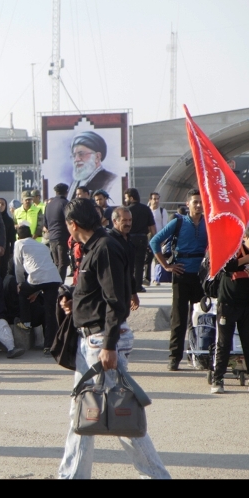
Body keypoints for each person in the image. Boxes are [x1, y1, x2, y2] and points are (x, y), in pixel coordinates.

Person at [57, 198, 170, 479]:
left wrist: (108, 346)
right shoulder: (93, 247)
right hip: (92, 340)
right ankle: (72, 475)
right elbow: (97, 293)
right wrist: (73, 301)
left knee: (121, 414)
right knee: (83, 412)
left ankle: (157, 476)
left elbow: (116, 301)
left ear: (72, 225)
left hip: (102, 342)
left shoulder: (105, 248)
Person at [150, 189, 207, 371]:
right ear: (187, 203)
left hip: (203, 276)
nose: (198, 205)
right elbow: (154, 242)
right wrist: (167, 265)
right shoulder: (179, 222)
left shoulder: (209, 223)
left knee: (201, 316)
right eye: (195, 202)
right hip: (181, 274)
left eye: (201, 202)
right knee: (179, 318)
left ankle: (199, 353)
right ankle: (174, 357)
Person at [13, 225, 62, 355]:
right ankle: (49, 346)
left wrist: (20, 283)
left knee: (23, 292)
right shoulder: (41, 245)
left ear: (18, 236)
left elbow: (18, 266)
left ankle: (26, 322)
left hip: (36, 278)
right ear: (31, 234)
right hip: (53, 278)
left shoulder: (19, 243)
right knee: (50, 312)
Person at [211, 226, 249, 394]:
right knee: (224, 343)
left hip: (246, 303)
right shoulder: (232, 244)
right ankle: (218, 378)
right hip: (227, 302)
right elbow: (228, 265)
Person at [66, 131, 118, 201]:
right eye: (74, 155)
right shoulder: (75, 183)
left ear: (97, 157)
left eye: (81, 154)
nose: (76, 159)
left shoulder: (109, 180)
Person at [107, 207, 141, 313]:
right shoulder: (109, 241)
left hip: (125, 291)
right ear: (114, 221)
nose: (128, 223)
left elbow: (129, 270)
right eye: (124, 220)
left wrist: (133, 293)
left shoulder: (128, 240)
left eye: (130, 220)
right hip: (112, 292)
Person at [124, 188, 156, 294]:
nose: (125, 200)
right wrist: (155, 241)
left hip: (129, 239)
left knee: (128, 263)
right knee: (139, 264)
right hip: (142, 239)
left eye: (126, 197)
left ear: (131, 198)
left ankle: (128, 286)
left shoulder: (126, 210)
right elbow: (152, 228)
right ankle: (138, 286)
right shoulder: (146, 209)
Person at [44, 183, 71, 281]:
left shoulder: (49, 204)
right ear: (66, 192)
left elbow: (45, 223)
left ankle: (54, 284)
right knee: (63, 263)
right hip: (63, 237)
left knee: (56, 263)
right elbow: (69, 220)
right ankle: (59, 287)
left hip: (52, 237)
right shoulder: (65, 203)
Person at [148, 192, 169, 286]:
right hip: (149, 236)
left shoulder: (162, 211)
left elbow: (165, 225)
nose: (156, 201)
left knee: (158, 258)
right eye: (154, 199)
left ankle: (156, 278)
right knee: (148, 258)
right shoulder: (147, 210)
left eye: (157, 199)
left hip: (159, 236)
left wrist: (164, 238)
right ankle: (147, 277)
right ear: (150, 200)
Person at [0, 198, 17, 280]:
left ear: (6, 206)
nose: (0, 206)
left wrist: (12, 251)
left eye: (2, 204)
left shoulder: (9, 221)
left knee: (4, 270)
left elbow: (12, 238)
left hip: (5, 250)